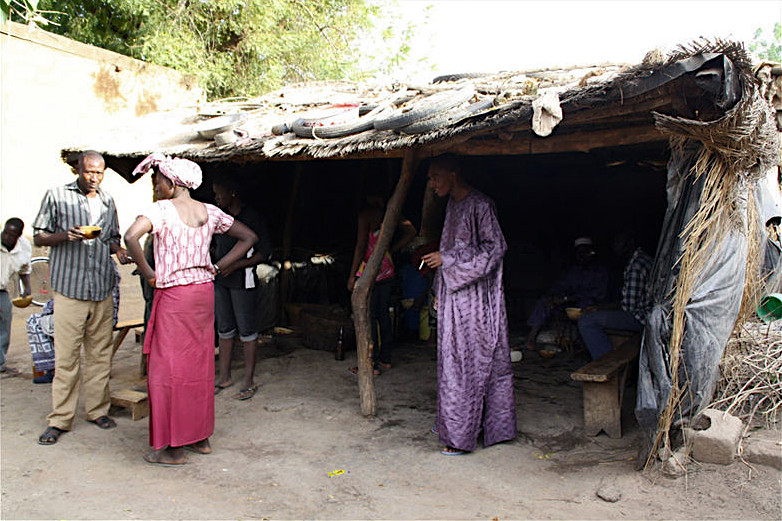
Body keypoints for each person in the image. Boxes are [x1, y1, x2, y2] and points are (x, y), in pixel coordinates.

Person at [124, 153, 257, 467]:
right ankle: (200, 437)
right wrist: (218, 267)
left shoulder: (161, 210)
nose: (156, 185)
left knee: (166, 370)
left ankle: (172, 448)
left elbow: (130, 236)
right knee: (197, 366)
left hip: (174, 298)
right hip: (202, 293)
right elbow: (249, 237)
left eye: (158, 180)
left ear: (172, 182)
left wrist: (149, 274)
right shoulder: (209, 211)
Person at [33, 151, 131, 445]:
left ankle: (97, 410)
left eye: (99, 173)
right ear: (78, 169)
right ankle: (60, 419)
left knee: (100, 355)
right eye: (89, 172)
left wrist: (120, 250)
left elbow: (112, 237)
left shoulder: (106, 200)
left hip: (100, 288)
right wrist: (66, 235)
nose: (94, 178)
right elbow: (39, 236)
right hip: (70, 290)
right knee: (67, 358)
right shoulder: (56, 196)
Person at [421, 156, 517, 456]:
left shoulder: (481, 205)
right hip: (454, 295)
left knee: (470, 363)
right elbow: (451, 248)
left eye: (436, 176)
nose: (432, 183)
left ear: (453, 174)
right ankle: (456, 425)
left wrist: (447, 262)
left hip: (476, 302)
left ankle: (462, 436)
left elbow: (495, 248)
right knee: (453, 363)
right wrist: (440, 288)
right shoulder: (452, 205)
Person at [212, 174, 272, 400]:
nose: (217, 198)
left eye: (219, 194)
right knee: (225, 329)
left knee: (247, 330)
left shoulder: (252, 217)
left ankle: (248, 379)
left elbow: (263, 253)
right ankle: (224, 377)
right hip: (222, 280)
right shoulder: (220, 217)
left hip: (242, 280)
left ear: (232, 193)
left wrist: (236, 265)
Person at [347, 192, 416, 375]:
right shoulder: (391, 213)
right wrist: (391, 250)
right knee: (383, 315)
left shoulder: (366, 215)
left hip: (371, 271)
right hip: (387, 269)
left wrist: (353, 275)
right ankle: (385, 360)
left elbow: (361, 246)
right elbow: (411, 231)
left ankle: (372, 363)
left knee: (368, 316)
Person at [577, 232, 653, 360]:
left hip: (641, 318)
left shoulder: (637, 266)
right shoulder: (642, 259)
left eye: (618, 243)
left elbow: (628, 307)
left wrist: (600, 308)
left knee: (587, 321)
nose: (614, 247)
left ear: (629, 244)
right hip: (646, 314)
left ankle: (605, 362)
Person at [525, 237, 609, 351]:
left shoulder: (600, 272)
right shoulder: (574, 271)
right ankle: (531, 338)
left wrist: (568, 298)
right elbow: (561, 286)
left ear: (591, 253)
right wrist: (554, 296)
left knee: (586, 305)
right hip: (569, 304)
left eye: (585, 252)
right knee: (545, 301)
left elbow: (598, 295)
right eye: (579, 253)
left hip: (587, 304)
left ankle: (583, 344)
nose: (582, 256)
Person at [1, 217, 32, 375]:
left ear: (18, 236)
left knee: (4, 324)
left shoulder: (24, 247)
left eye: (10, 235)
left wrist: (26, 288)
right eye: (5, 233)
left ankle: (0, 363)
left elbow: (24, 269)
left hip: (1, 290)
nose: (6, 237)